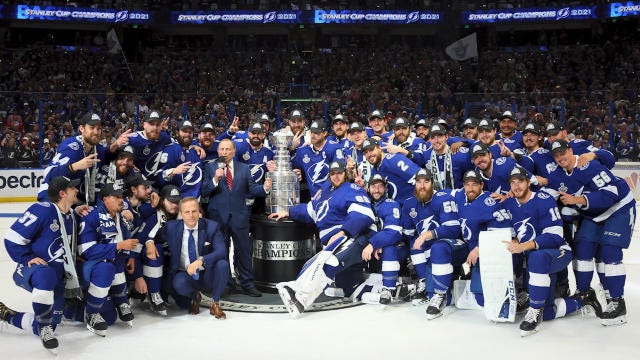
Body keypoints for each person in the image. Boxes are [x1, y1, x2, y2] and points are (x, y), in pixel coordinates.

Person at [502, 166, 602, 336]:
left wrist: (523, 246)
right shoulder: (510, 203)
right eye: (512, 183)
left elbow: (555, 236)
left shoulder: (543, 199)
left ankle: (533, 311)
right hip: (535, 258)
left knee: (537, 257)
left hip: (557, 252)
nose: (516, 186)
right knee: (547, 313)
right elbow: (513, 233)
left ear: (528, 182)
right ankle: (583, 299)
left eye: (520, 181)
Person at [269, 160, 375, 318]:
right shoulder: (325, 191)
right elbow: (310, 210)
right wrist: (289, 212)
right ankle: (297, 293)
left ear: (345, 173)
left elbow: (364, 215)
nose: (336, 176)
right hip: (333, 240)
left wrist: (344, 232)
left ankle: (300, 297)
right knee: (318, 266)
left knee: (329, 262)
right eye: (333, 174)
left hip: (351, 236)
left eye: (339, 173)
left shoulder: (352, 189)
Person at [546, 140, 635, 325]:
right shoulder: (557, 175)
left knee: (610, 252)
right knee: (583, 250)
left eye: (563, 152)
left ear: (570, 151)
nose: (560, 157)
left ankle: (618, 303)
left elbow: (611, 193)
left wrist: (577, 199)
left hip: (618, 207)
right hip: (593, 214)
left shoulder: (588, 165)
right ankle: (584, 294)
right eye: (556, 155)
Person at [1, 176, 80, 353]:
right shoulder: (42, 210)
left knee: (46, 326)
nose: (77, 190)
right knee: (47, 275)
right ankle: (45, 323)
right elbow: (11, 238)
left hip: (58, 278)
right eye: (72, 188)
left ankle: (6, 314)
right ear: (62, 193)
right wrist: (26, 257)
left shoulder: (71, 215)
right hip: (34, 270)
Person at [201, 139, 272, 297]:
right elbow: (204, 191)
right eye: (221, 149)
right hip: (218, 217)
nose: (224, 152)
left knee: (243, 251)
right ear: (218, 151)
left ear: (233, 151)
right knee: (221, 251)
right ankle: (226, 284)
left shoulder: (244, 168)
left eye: (227, 149)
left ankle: (247, 284)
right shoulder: (210, 167)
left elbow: (253, 189)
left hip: (239, 216)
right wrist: (215, 179)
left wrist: (265, 188)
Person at [400, 169, 465, 318]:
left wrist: (427, 235)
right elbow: (410, 234)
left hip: (453, 246)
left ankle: (441, 295)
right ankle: (424, 282)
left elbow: (453, 229)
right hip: (431, 250)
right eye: (419, 182)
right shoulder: (409, 204)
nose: (422, 186)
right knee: (415, 244)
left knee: (438, 247)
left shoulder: (443, 198)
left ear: (432, 182)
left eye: (426, 181)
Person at [153, 197, 230, 319]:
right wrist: (149, 244)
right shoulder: (171, 227)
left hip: (207, 273)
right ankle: (195, 297)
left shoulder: (211, 227)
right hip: (185, 275)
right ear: (181, 214)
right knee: (179, 286)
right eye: (187, 212)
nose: (191, 215)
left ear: (199, 211)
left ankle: (215, 303)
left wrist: (201, 260)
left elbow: (221, 251)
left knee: (223, 264)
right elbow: (155, 238)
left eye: (194, 211)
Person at [79, 183, 139, 336]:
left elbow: (126, 240)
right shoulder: (92, 217)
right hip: (92, 267)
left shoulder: (120, 216)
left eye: (122, 197)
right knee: (108, 266)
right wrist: (118, 246)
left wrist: (130, 255)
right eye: (117, 197)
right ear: (105, 199)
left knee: (110, 317)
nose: (121, 200)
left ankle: (121, 301)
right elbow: (87, 251)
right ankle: (90, 313)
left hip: (112, 265)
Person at [37, 113, 130, 205]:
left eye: (98, 128)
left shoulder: (95, 147)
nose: (96, 132)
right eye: (92, 128)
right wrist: (75, 166)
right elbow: (49, 174)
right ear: (81, 128)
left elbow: (104, 154)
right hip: (52, 197)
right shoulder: (71, 147)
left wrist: (116, 144)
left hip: (72, 199)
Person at [451, 170, 513, 306]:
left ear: (481, 185)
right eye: (467, 185)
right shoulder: (461, 196)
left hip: (490, 253)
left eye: (474, 185)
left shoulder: (490, 202)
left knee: (482, 298)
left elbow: (504, 233)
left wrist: (480, 248)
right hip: (470, 249)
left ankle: (517, 292)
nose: (471, 189)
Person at [134, 185, 181, 315]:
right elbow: (136, 248)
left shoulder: (182, 216)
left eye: (177, 201)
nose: (174, 205)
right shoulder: (154, 218)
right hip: (150, 260)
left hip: (171, 264)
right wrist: (137, 276)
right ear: (162, 200)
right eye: (171, 201)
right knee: (157, 250)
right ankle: (153, 293)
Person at [363, 174, 404, 304]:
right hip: (375, 249)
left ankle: (388, 288)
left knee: (389, 248)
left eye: (380, 186)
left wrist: (373, 244)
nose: (377, 190)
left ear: (386, 188)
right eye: (374, 186)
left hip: (398, 247)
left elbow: (393, 232)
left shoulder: (391, 205)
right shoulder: (365, 204)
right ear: (368, 188)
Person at [292, 120, 345, 198]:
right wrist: (291, 148)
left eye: (316, 133)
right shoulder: (303, 151)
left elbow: (339, 172)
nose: (313, 135)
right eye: (311, 132)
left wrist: (324, 189)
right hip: (314, 199)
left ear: (324, 133)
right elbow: (290, 165)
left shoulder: (334, 148)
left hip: (333, 196)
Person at [363, 137, 421, 204]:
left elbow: (420, 178)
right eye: (365, 152)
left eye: (371, 150)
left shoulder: (394, 160)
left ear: (379, 148)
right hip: (397, 209)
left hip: (414, 206)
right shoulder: (374, 170)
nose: (369, 154)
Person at [156, 120, 203, 199]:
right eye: (184, 131)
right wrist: (173, 171)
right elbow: (159, 178)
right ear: (177, 133)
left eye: (190, 132)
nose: (188, 134)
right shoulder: (170, 150)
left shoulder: (196, 150)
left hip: (196, 202)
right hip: (178, 202)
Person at [421, 124, 473, 190]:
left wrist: (463, 142)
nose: (436, 140)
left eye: (440, 136)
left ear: (446, 137)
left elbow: (478, 144)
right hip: (436, 196)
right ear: (429, 139)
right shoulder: (426, 154)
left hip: (457, 197)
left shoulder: (460, 155)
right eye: (433, 137)